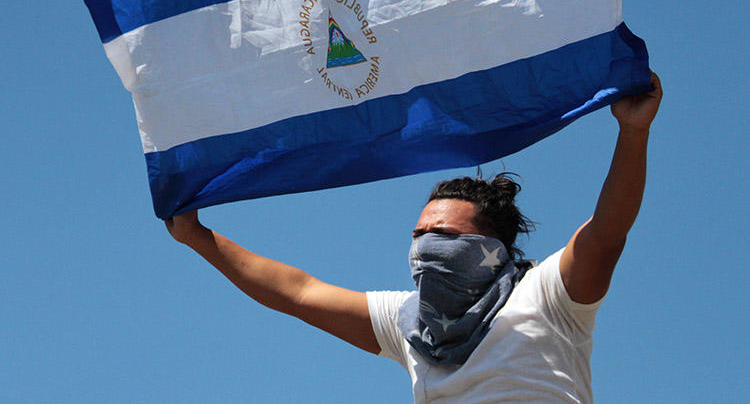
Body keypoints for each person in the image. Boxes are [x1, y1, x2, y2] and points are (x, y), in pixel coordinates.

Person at [165, 72, 662, 403]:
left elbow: (607, 232)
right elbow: (297, 293)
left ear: (494, 251)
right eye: (419, 233)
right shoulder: (410, 325)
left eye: (442, 235)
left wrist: (633, 133)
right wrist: (198, 238)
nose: (425, 245)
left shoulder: (548, 296)